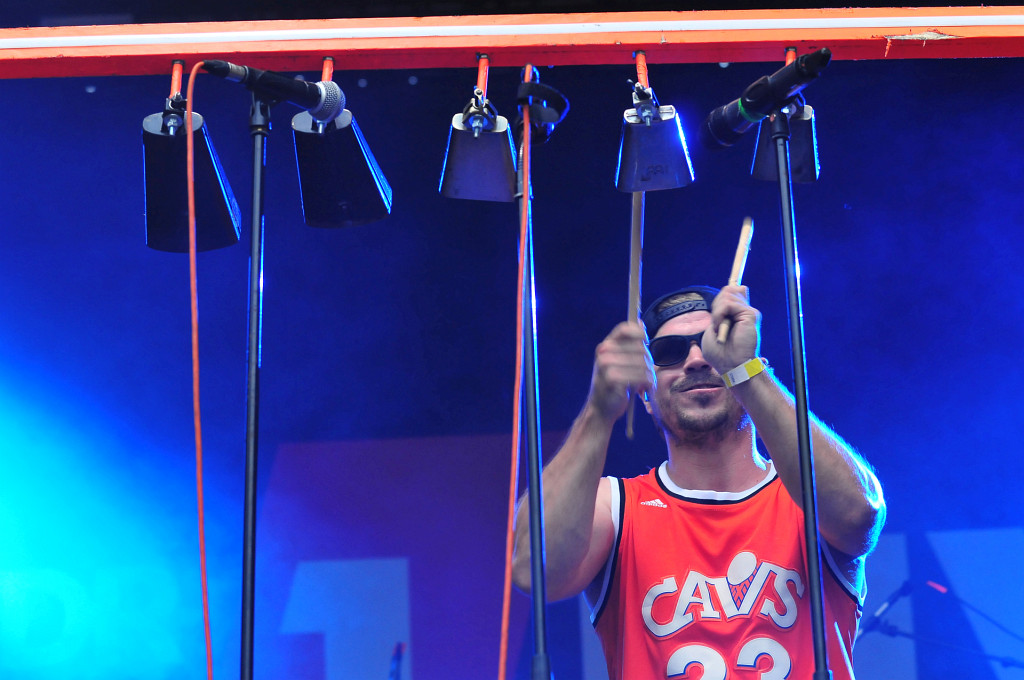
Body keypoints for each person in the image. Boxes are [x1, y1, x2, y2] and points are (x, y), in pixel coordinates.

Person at [511, 284, 886, 679]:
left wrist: (745, 371)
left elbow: (859, 516)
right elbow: (535, 571)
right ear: (645, 393)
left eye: (713, 343)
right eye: (668, 352)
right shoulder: (616, 507)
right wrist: (598, 410)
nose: (695, 359)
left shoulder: (806, 495)